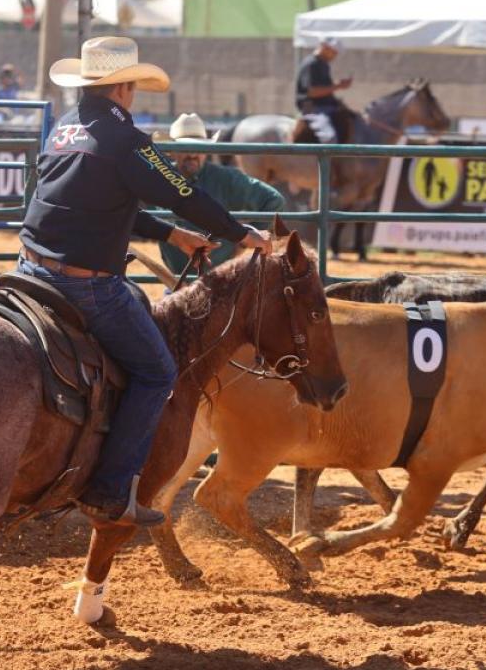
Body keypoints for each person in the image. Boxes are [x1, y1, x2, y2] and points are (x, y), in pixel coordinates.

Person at [19, 36, 273, 527]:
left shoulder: (64, 131)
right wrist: (241, 234)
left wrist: (170, 234)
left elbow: (98, 203)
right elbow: (183, 193)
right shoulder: (128, 142)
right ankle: (110, 489)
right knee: (157, 372)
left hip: (30, 269)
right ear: (125, 88)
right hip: (84, 284)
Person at [157, 112, 286, 276]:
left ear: (206, 150)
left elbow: (274, 200)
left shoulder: (225, 179)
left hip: (216, 278)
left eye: (199, 148)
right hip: (175, 278)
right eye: (185, 148)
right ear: (172, 151)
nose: (193, 154)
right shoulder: (158, 177)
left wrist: (243, 243)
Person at [295, 36, 352, 143]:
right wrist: (338, 86)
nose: (335, 55)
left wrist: (338, 85)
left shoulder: (323, 64)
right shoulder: (311, 64)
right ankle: (323, 159)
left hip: (325, 107)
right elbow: (312, 92)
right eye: (333, 52)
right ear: (324, 47)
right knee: (329, 138)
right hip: (310, 107)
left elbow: (322, 87)